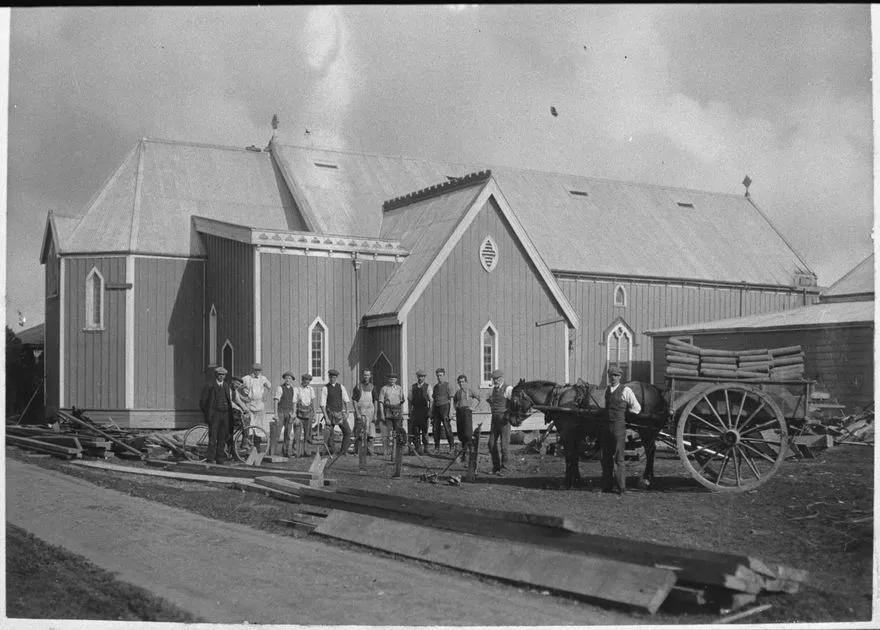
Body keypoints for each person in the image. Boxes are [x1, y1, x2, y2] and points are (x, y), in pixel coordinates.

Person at [602, 365, 641, 495]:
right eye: (611, 375)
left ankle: (621, 487)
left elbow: (637, 408)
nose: (613, 378)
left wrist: (625, 415)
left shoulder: (626, 390)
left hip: (618, 426)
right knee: (606, 457)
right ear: (608, 376)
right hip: (607, 426)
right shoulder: (607, 390)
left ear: (620, 377)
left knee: (619, 457)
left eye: (616, 375)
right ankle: (607, 486)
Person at [198, 366, 235, 464]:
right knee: (213, 438)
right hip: (215, 415)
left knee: (222, 437)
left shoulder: (226, 386)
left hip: (225, 415)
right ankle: (210, 458)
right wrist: (208, 413)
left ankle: (220, 458)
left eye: (223, 375)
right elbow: (203, 402)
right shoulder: (210, 385)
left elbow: (229, 400)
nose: (222, 376)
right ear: (216, 375)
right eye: (220, 375)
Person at [487, 369, 514, 476]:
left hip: (504, 421)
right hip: (494, 420)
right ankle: (496, 467)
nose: (495, 381)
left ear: (502, 378)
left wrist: (509, 414)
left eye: (497, 379)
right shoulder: (492, 390)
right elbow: (490, 401)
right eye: (494, 379)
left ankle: (505, 468)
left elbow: (514, 403)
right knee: (491, 443)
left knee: (504, 445)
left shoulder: (508, 389)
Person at [320, 369, 352, 456]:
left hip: (340, 413)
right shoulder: (325, 388)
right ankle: (332, 451)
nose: (332, 379)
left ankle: (343, 451)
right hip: (330, 414)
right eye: (330, 377)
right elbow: (322, 405)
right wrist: (326, 417)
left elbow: (346, 400)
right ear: (329, 377)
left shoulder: (341, 387)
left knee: (347, 432)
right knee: (330, 433)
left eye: (334, 377)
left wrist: (347, 412)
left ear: (336, 377)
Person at [241, 363, 272, 444]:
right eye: (256, 370)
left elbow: (269, 387)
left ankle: (257, 445)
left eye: (259, 370)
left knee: (259, 425)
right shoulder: (246, 378)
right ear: (253, 370)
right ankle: (247, 445)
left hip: (259, 403)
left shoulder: (263, 378)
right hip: (249, 403)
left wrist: (265, 396)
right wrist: (242, 397)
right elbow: (236, 387)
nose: (257, 372)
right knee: (249, 425)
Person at [453, 374, 481, 460]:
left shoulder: (470, 391)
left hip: (467, 412)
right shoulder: (458, 392)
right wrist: (455, 409)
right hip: (459, 413)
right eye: (459, 382)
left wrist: (473, 408)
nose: (461, 384)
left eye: (462, 382)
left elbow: (479, 399)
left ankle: (471, 453)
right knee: (461, 434)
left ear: (466, 382)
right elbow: (454, 401)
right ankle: (463, 454)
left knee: (468, 433)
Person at [352, 369, 379, 456]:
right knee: (359, 432)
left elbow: (375, 401)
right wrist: (357, 413)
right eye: (365, 375)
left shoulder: (373, 387)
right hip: (360, 412)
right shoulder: (358, 387)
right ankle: (357, 451)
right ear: (362, 376)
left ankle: (370, 451)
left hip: (370, 412)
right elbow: (354, 400)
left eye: (367, 375)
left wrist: (375, 414)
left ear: (370, 376)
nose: (366, 377)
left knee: (371, 432)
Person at [378, 373, 406, 455]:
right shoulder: (384, 388)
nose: (392, 380)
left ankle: (396, 451)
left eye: (393, 379)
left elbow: (401, 402)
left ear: (396, 380)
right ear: (388, 379)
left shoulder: (399, 388)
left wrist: (401, 413)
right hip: (388, 410)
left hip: (397, 410)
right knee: (387, 432)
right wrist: (382, 414)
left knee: (397, 431)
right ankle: (386, 450)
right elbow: (381, 402)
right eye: (390, 379)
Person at [431, 368, 456, 454]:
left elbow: (451, 399)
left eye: (441, 375)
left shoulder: (448, 385)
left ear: (444, 375)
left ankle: (452, 447)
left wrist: (451, 411)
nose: (439, 377)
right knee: (435, 429)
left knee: (447, 428)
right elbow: (434, 400)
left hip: (445, 408)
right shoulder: (435, 387)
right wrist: (431, 411)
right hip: (436, 409)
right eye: (438, 376)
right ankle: (437, 448)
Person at [273, 372, 297, 457]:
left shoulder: (293, 389)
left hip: (289, 413)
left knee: (288, 434)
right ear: (284, 379)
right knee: (277, 433)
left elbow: (294, 402)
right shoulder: (280, 388)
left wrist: (294, 413)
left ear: (292, 380)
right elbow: (276, 401)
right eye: (286, 378)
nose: (288, 380)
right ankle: (273, 452)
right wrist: (275, 414)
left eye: (289, 378)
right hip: (281, 412)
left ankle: (285, 451)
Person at [408, 369, 431, 455]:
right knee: (416, 430)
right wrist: (410, 411)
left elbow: (431, 400)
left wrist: (430, 411)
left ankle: (426, 448)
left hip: (424, 410)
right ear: (417, 377)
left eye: (422, 376)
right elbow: (410, 399)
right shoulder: (413, 387)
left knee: (425, 430)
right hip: (415, 411)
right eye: (419, 376)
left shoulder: (428, 387)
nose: (420, 378)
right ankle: (418, 448)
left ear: (424, 377)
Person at [294, 373, 317, 457]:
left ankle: (306, 451)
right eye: (305, 381)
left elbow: (313, 402)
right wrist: (294, 415)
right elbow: (294, 402)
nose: (307, 383)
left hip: (308, 413)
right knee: (297, 433)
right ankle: (296, 452)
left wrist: (314, 414)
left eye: (308, 381)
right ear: (302, 380)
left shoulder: (311, 389)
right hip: (299, 414)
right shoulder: (297, 389)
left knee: (308, 434)